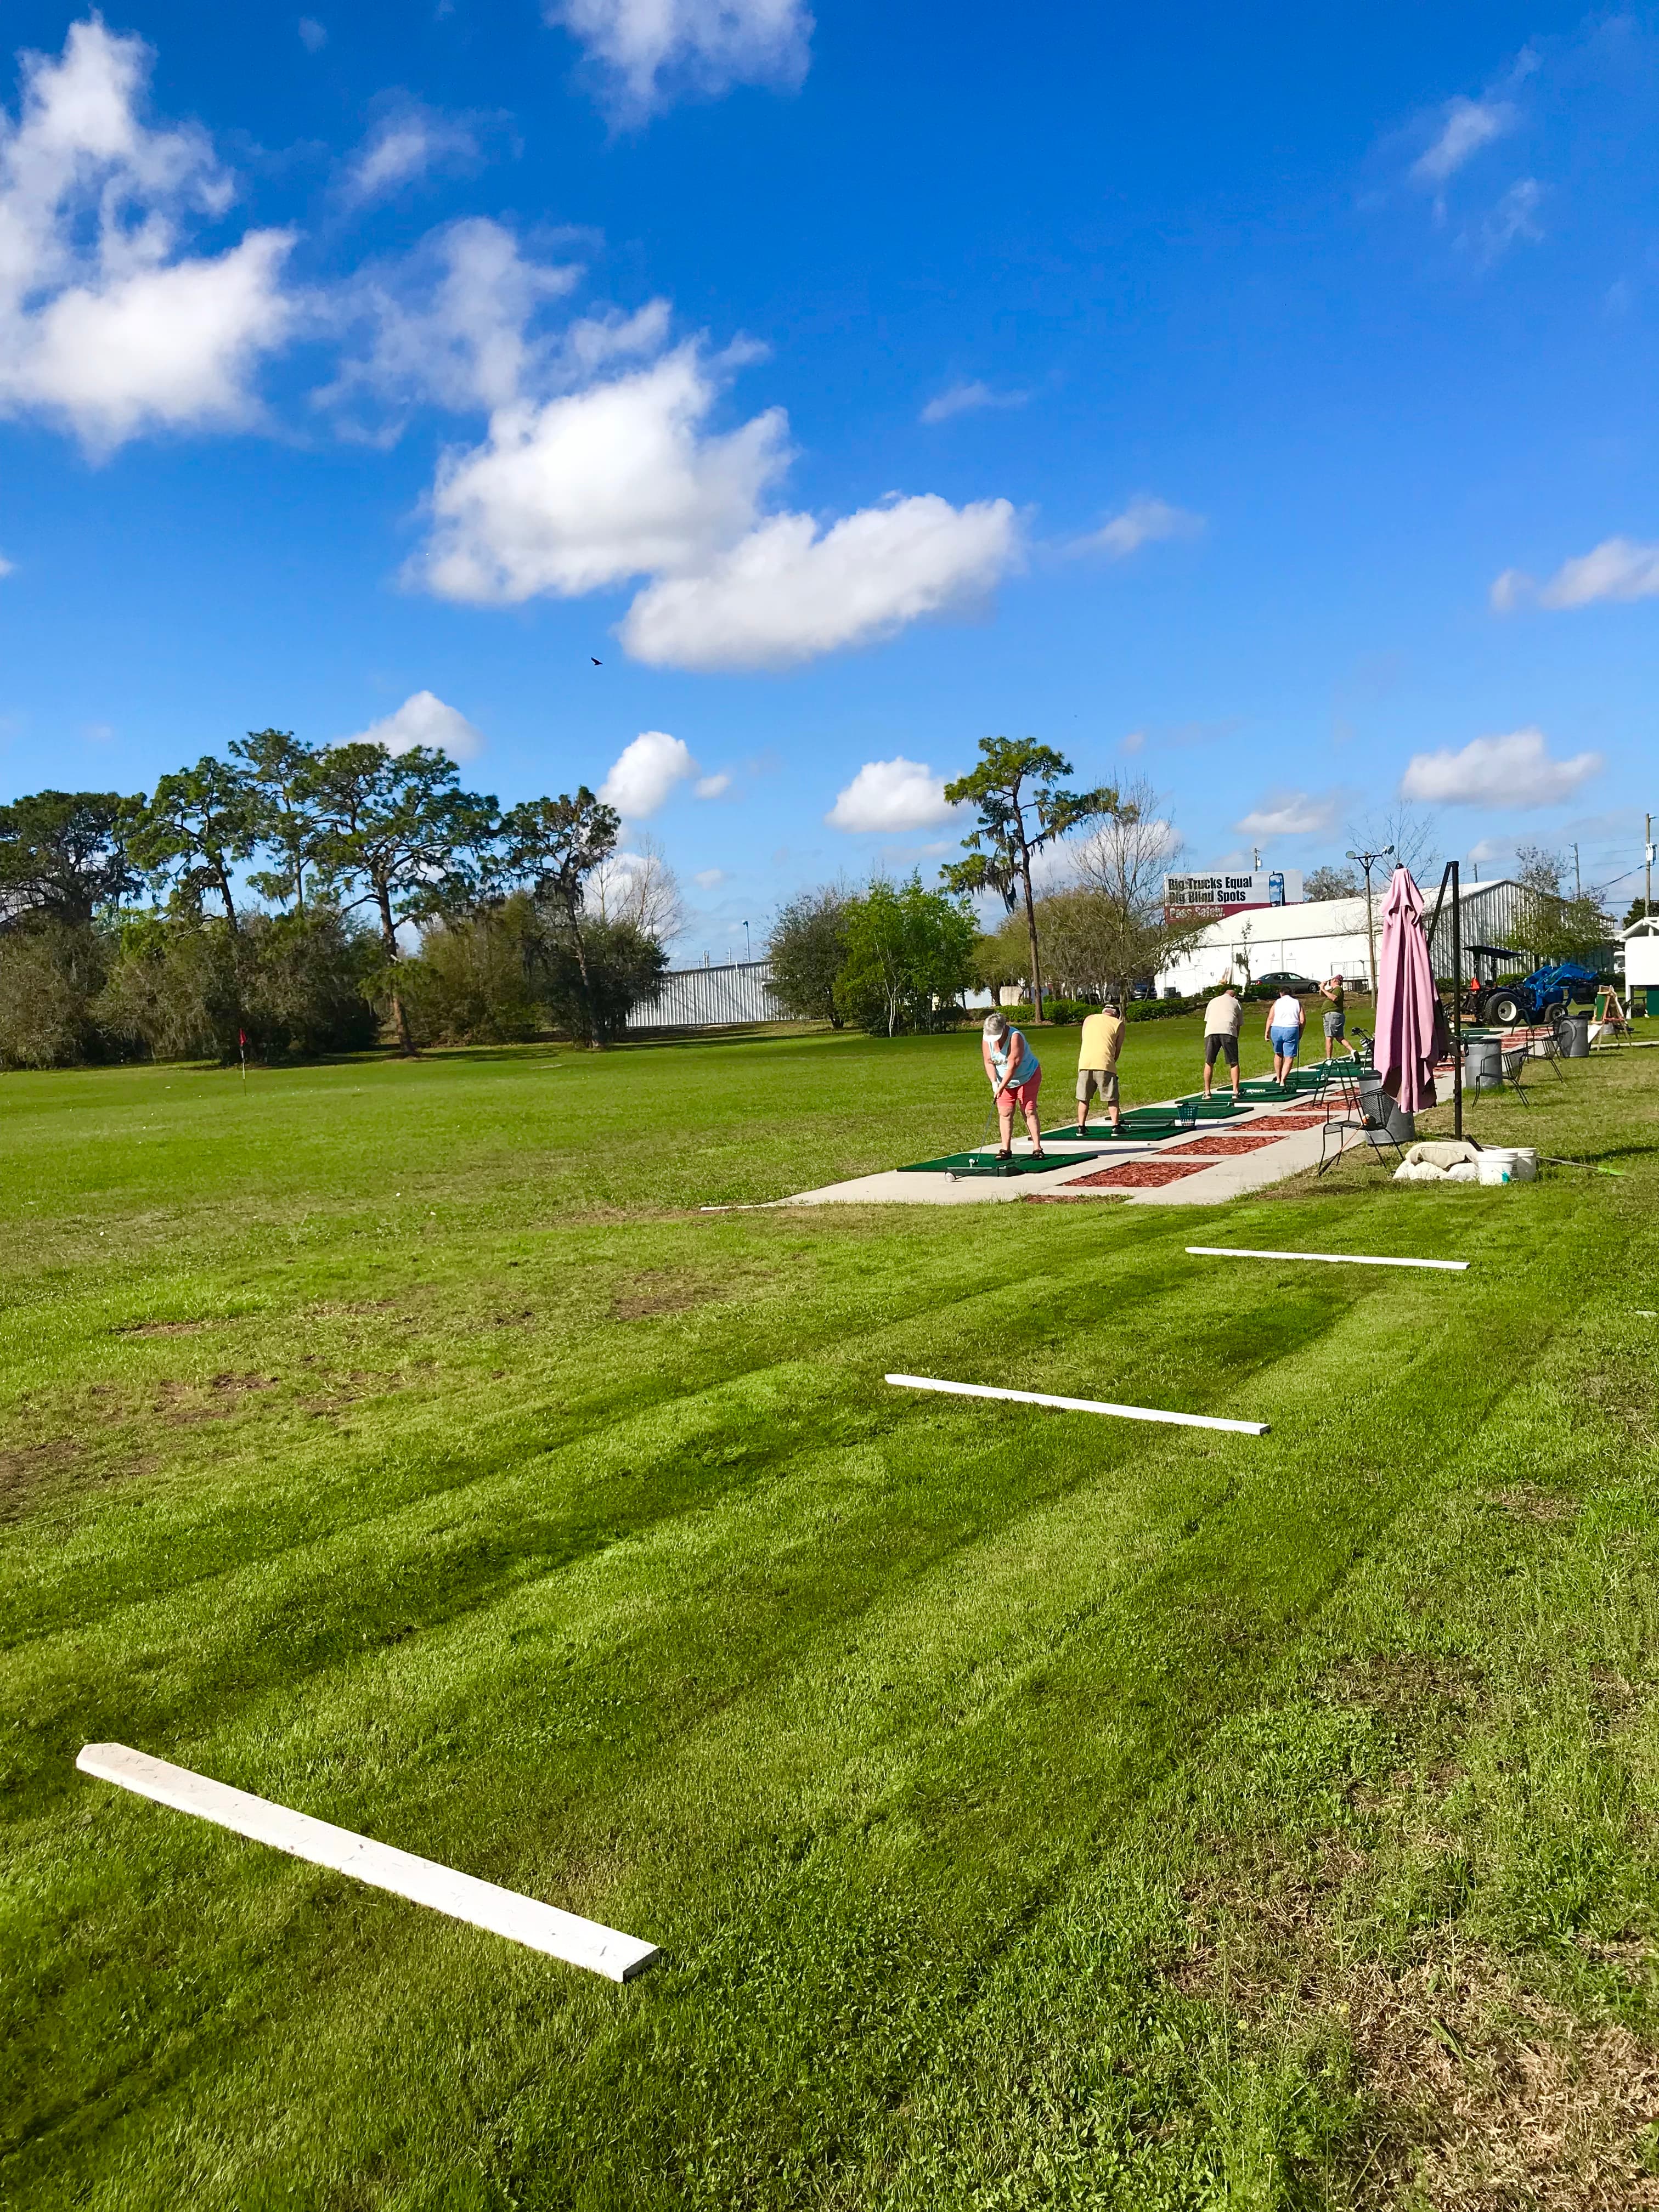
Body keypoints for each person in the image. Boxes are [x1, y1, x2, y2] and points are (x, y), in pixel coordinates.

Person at [981, 1011, 1044, 1159]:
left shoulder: (1015, 1037)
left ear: (1004, 1029)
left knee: (1028, 1111)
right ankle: (1005, 1149)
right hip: (1003, 1080)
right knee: (1005, 1112)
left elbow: (1012, 1066)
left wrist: (1001, 1087)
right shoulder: (987, 1038)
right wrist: (994, 1084)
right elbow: (988, 1062)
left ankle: (1037, 1148)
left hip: (1027, 1076)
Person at [1074, 996, 1126, 1135]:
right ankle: (1116, 1126)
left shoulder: (1089, 1019)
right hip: (1104, 1063)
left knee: (1084, 1098)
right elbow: (1117, 1048)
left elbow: (1085, 1039)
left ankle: (1081, 1127)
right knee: (1112, 1097)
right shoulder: (1118, 1024)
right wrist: (1112, 1065)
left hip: (1085, 1063)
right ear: (1116, 1015)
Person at [1201, 980, 1243, 1101]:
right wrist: (1235, 1038)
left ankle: (1207, 1092)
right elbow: (1238, 1025)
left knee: (1209, 1062)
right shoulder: (1236, 1002)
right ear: (1234, 996)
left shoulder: (1213, 1001)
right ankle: (1235, 1092)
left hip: (1211, 1031)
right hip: (1228, 1031)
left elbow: (1207, 1019)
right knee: (1233, 1062)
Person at [1266, 984, 1305, 1083]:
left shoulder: (1277, 1002)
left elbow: (1270, 1018)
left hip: (1276, 1029)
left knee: (1278, 1054)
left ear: (1281, 994)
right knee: (1289, 1056)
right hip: (1291, 1029)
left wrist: (1267, 1032)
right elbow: (1303, 1020)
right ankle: (1283, 1080)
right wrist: (1301, 1032)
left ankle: (1278, 1078)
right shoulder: (1297, 1003)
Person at [1319, 971, 1350, 1062]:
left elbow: (1334, 998)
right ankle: (1353, 1051)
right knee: (1340, 1037)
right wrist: (1322, 988)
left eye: (1332, 980)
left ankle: (1329, 1059)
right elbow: (1322, 994)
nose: (1330, 982)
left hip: (1332, 1016)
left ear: (1336, 981)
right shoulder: (1333, 990)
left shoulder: (1338, 989)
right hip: (1332, 1016)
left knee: (1329, 1037)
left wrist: (1324, 989)